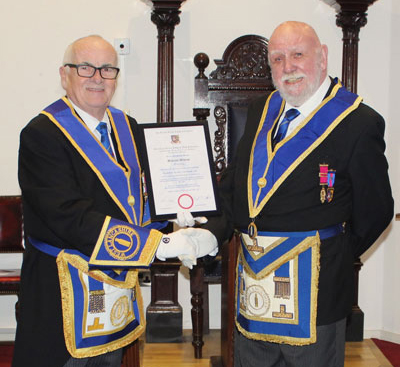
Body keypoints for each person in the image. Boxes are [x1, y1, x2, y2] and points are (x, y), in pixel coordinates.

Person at [12, 35, 217, 367]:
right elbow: (67, 216)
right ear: (64, 75)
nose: (97, 77)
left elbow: (136, 199)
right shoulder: (42, 135)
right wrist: (158, 245)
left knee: (109, 360)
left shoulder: (128, 128)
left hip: (115, 286)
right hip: (63, 291)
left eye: (107, 69)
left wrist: (175, 209)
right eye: (85, 68)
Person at [200, 21, 393, 367]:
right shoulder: (262, 111)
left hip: (315, 296)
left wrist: (331, 255)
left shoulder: (357, 122)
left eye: (298, 55)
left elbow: (377, 209)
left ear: (323, 57)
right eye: (277, 59)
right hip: (255, 289)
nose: (288, 67)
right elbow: (234, 188)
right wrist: (203, 229)